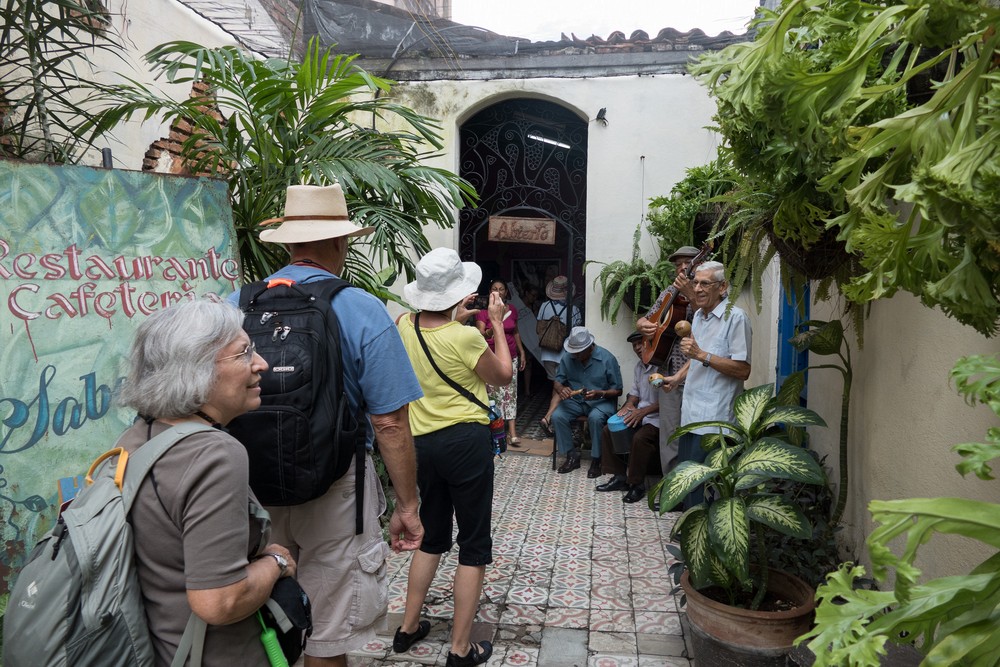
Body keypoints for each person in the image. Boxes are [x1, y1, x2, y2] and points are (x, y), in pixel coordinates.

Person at [231, 183, 425, 667]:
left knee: (262, 620)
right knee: (327, 632)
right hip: (335, 487)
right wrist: (407, 504)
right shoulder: (360, 309)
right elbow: (391, 423)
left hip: (249, 488)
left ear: (289, 242)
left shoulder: (234, 303)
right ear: (341, 243)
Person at [116, 298, 298, 666]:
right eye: (244, 353)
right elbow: (219, 600)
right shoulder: (215, 455)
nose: (261, 364)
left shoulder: (136, 438)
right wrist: (276, 561)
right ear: (193, 370)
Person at [394, 248, 512, 667]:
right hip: (465, 442)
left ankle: (408, 627)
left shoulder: (404, 325)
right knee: (473, 542)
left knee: (433, 535)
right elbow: (502, 374)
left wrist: (456, 320)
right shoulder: (465, 336)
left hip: (422, 444)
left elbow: (434, 335)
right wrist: (495, 325)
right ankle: (460, 649)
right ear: (457, 293)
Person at [676, 260, 752, 509]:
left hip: (715, 418)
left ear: (722, 287)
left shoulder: (736, 318)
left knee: (707, 482)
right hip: (690, 413)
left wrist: (701, 355)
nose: (697, 288)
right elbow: (698, 358)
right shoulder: (699, 315)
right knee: (689, 477)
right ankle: (690, 529)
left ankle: (707, 537)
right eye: (695, 282)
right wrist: (676, 377)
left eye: (704, 283)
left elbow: (743, 370)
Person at [635, 245, 699, 474]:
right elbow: (649, 317)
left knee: (695, 433)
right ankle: (672, 485)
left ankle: (693, 485)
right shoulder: (669, 292)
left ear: (699, 264)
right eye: (678, 264)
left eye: (688, 262)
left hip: (697, 373)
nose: (682, 267)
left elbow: (708, 319)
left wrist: (691, 293)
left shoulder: (712, 293)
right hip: (668, 370)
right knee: (670, 432)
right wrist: (642, 324)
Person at [595, 330, 661, 503]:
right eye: (635, 345)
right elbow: (635, 394)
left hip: (658, 419)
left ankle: (637, 484)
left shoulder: (662, 366)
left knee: (640, 438)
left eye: (641, 343)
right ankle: (619, 477)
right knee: (609, 429)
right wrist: (630, 405)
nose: (638, 348)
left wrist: (642, 412)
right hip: (639, 415)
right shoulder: (639, 367)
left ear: (650, 343)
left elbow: (668, 402)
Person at [551, 326, 623, 476]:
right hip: (576, 401)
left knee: (595, 418)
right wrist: (561, 389)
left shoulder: (607, 359)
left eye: (579, 352)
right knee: (557, 416)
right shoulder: (568, 357)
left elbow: (618, 390)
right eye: (573, 352)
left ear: (589, 347)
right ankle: (572, 456)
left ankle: (597, 459)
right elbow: (558, 381)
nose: (575, 355)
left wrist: (600, 393)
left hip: (600, 402)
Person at [475, 278, 526, 446]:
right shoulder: (483, 312)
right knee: (493, 395)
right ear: (490, 292)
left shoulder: (512, 310)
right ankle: (495, 430)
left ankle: (512, 432)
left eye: (501, 289)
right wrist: (495, 325)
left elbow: (516, 332)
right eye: (494, 289)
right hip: (491, 357)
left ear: (506, 292)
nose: (498, 291)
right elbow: (481, 334)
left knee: (510, 394)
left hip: (511, 355)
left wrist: (522, 352)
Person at [536, 275, 581, 433]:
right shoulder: (573, 309)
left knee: (555, 385)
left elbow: (539, 326)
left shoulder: (543, 306)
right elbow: (576, 332)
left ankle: (550, 419)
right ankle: (550, 418)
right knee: (561, 386)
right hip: (564, 354)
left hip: (547, 353)